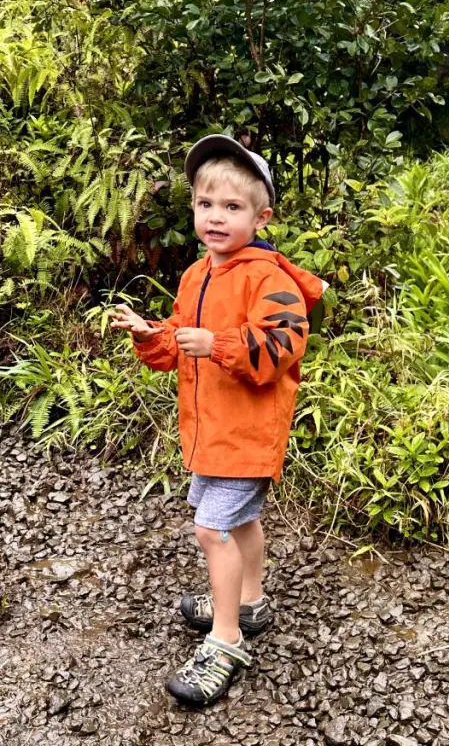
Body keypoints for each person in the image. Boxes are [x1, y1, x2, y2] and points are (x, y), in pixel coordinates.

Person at [111, 133, 325, 706]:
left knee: (214, 529)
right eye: (207, 204)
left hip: (247, 432)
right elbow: (180, 345)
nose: (216, 217)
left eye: (232, 207)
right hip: (210, 431)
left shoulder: (269, 277)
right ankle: (248, 601)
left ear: (261, 215)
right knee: (239, 521)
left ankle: (225, 641)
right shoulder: (195, 275)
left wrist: (220, 344)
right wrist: (151, 334)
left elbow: (283, 343)